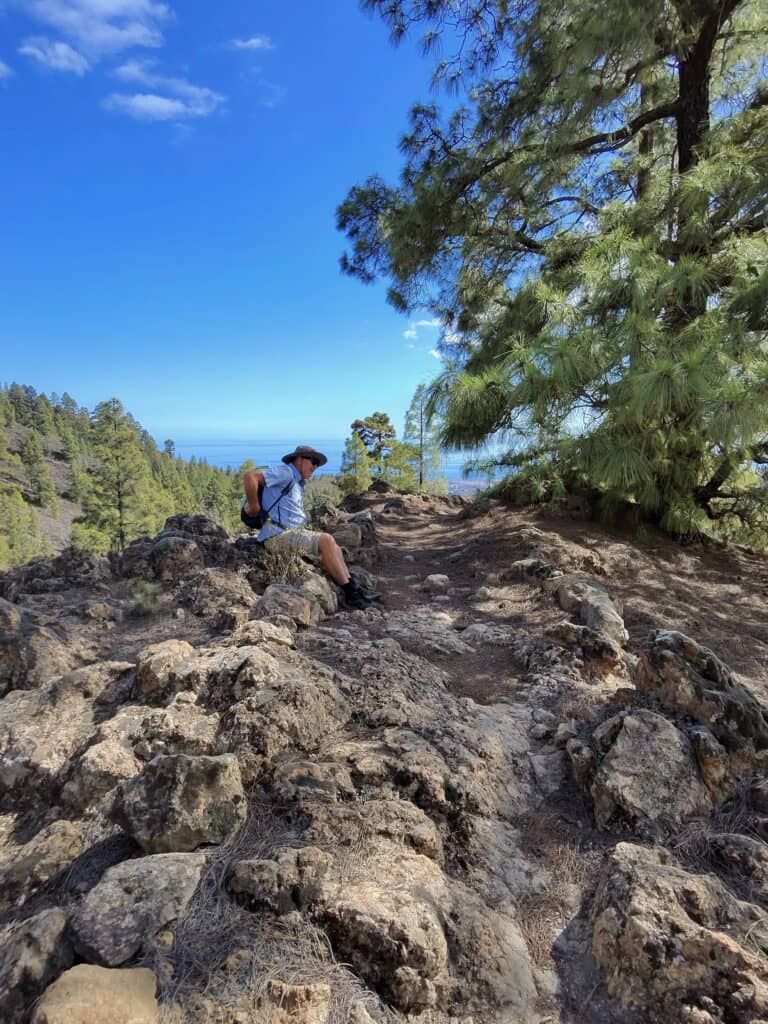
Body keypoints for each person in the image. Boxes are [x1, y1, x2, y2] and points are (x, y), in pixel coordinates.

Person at [242, 444, 382, 610]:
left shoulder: (298, 482)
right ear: (299, 459)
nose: (315, 466)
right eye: (313, 461)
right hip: (276, 535)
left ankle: (356, 589)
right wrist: (254, 506)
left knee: (334, 547)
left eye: (317, 463)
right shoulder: (287, 472)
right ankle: (352, 595)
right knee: (326, 540)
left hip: (289, 532)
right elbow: (250, 477)